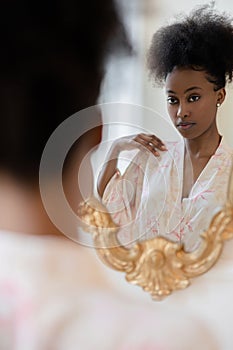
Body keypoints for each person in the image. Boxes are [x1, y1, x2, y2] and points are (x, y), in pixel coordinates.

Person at [97, 5, 233, 251]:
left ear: (219, 95)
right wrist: (116, 149)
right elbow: (107, 212)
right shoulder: (152, 159)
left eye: (193, 97)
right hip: (151, 286)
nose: (181, 112)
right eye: (173, 99)